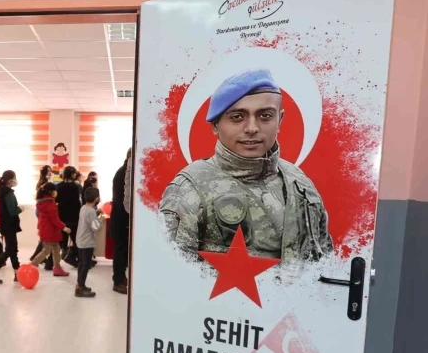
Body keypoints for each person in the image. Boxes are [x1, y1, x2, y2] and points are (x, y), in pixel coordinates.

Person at [159, 69, 333, 262]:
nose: (252, 128)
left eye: (265, 116)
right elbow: (171, 272)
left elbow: (323, 261)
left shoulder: (299, 183)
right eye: (237, 117)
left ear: (279, 120)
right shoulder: (189, 190)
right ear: (215, 125)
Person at [0, 171, 23, 284]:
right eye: (14, 178)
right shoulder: (8, 193)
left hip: (6, 225)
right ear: (10, 180)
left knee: (12, 249)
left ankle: (17, 273)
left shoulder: (3, 191)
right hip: (9, 225)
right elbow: (12, 211)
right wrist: (21, 209)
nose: (15, 180)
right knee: (10, 250)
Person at [30, 183, 71, 277]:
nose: (56, 192)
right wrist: (64, 227)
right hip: (50, 230)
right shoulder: (50, 203)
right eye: (54, 190)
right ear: (50, 192)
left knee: (56, 249)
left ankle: (57, 267)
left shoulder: (42, 202)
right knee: (47, 250)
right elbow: (54, 219)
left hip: (47, 229)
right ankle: (32, 264)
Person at [75, 187, 106, 298]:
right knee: (85, 265)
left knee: (81, 264)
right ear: (96, 198)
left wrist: (96, 213)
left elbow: (88, 220)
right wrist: (102, 218)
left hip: (80, 241)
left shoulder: (84, 208)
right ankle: (80, 288)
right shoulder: (91, 211)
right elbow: (95, 227)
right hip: (87, 242)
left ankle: (80, 284)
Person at [110, 149, 131, 294]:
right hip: (120, 220)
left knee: (123, 251)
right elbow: (121, 201)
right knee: (120, 250)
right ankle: (118, 281)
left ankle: (121, 277)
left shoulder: (125, 172)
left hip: (122, 219)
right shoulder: (123, 174)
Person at [56, 166, 82, 267]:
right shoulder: (76, 186)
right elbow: (80, 201)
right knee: (76, 240)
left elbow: (56, 200)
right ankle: (77, 259)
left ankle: (54, 261)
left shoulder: (58, 186)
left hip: (62, 216)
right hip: (74, 216)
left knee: (61, 241)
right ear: (72, 175)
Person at [31, 165, 54, 270]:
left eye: (50, 171)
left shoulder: (43, 181)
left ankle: (38, 256)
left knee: (44, 235)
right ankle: (36, 256)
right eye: (48, 171)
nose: (50, 172)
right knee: (45, 236)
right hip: (42, 210)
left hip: (41, 209)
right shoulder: (43, 183)